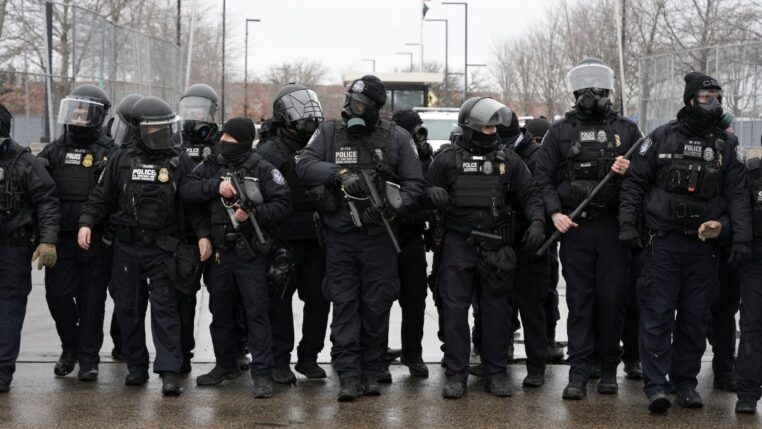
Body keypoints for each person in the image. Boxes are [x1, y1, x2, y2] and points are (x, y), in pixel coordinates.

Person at [619, 72, 751, 413]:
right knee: (657, 314)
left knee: (694, 318)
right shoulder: (660, 137)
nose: (713, 103)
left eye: (717, 97)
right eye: (706, 97)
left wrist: (738, 238)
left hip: (704, 249)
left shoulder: (725, 146)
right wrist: (628, 224)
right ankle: (656, 387)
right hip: (663, 244)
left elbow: (738, 196)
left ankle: (686, 384)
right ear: (690, 99)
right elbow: (634, 183)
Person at [295, 75, 425, 401]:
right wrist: (339, 174)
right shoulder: (329, 132)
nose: (351, 108)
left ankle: (371, 371)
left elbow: (414, 184)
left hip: (379, 236)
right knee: (344, 305)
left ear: (375, 108)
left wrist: (392, 209)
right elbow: (304, 164)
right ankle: (349, 375)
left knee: (376, 306)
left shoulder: (396, 136)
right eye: (350, 101)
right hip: (341, 236)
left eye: (359, 104)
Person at [78, 96, 206, 396]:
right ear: (140, 129)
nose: (163, 133)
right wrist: (86, 222)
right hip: (127, 246)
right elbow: (101, 197)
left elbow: (193, 204)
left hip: (164, 246)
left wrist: (202, 234)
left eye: (167, 127)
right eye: (156, 128)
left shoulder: (179, 160)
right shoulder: (121, 160)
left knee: (165, 309)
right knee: (128, 309)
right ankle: (136, 367)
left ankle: (169, 371)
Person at [534, 58, 642, 400]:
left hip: (613, 229)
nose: (590, 96)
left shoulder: (627, 131)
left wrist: (629, 168)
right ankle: (578, 373)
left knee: (613, 301)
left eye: (596, 89)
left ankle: (609, 369)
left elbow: (645, 178)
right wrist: (555, 213)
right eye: (584, 89)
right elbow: (543, 178)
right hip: (575, 229)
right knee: (580, 302)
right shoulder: (560, 132)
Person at [426, 97, 545, 399]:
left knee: (496, 312)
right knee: (454, 311)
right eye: (488, 128)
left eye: (495, 128)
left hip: (496, 244)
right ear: (471, 127)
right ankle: (456, 375)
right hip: (458, 242)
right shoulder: (446, 159)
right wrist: (432, 193)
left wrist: (536, 222)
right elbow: (420, 191)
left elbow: (531, 194)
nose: (493, 132)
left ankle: (496, 373)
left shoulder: (508, 160)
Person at [181, 117, 290, 398]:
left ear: (243, 142)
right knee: (221, 311)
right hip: (220, 252)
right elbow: (187, 189)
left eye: (230, 139)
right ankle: (225, 365)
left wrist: (253, 213)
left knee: (257, 312)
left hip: (251, 252)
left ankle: (262, 374)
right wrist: (215, 186)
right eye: (223, 138)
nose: (224, 143)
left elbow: (282, 204)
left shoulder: (263, 168)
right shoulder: (211, 165)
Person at [38, 85, 117, 381]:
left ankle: (88, 358)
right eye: (75, 112)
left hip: (95, 239)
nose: (79, 119)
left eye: (85, 114)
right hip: (61, 237)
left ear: (97, 117)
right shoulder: (54, 150)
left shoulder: (110, 152)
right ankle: (69, 348)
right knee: (58, 295)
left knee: (92, 300)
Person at [256, 83, 330, 384]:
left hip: (316, 238)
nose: (307, 116)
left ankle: (309, 357)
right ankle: (279, 360)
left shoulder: (321, 144)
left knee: (319, 301)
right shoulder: (269, 151)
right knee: (279, 304)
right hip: (283, 240)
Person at [0, 103, 59, 393]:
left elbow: (47, 201)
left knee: (8, 310)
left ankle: (2, 371)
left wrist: (48, 240)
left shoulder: (24, 162)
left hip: (12, 248)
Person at [376, 109, 434, 381]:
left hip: (412, 237)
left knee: (415, 299)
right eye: (413, 129)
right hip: (385, 237)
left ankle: (413, 354)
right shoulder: (387, 156)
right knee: (381, 299)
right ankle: (378, 356)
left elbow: (430, 194)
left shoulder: (425, 159)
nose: (418, 135)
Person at [736, 150, 762, 414]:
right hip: (756, 258)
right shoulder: (752, 173)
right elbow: (740, 211)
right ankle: (747, 393)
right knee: (752, 325)